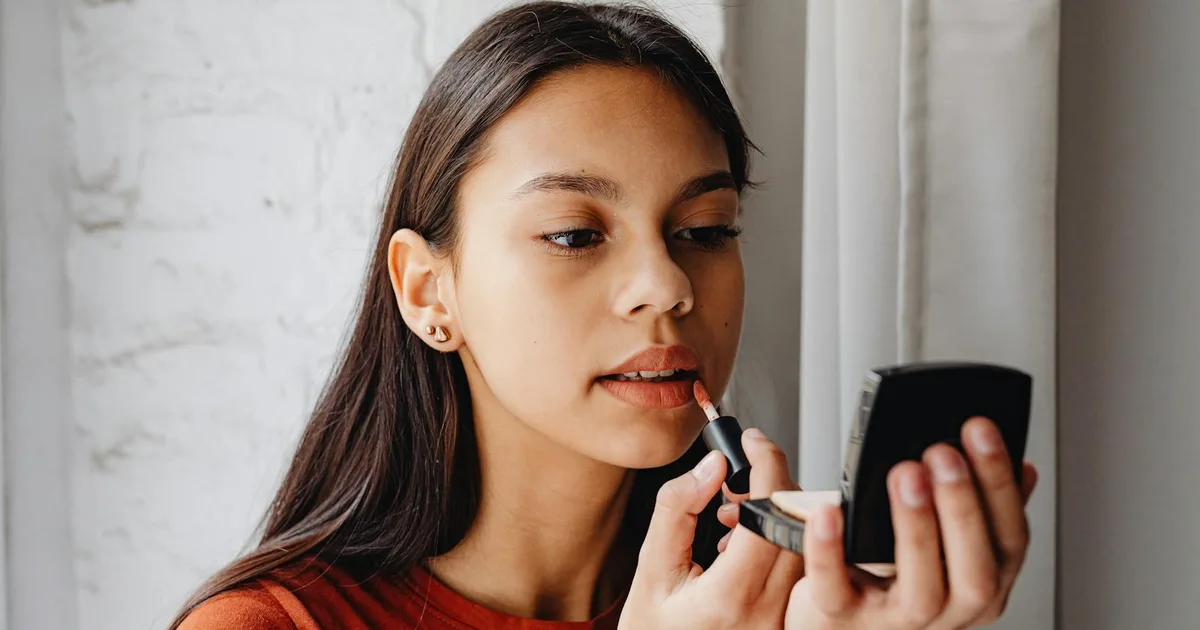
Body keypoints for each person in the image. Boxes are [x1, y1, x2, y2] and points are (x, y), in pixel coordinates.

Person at [172, 2, 1039, 629]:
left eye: (705, 230)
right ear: (427, 291)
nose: (666, 286)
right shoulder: (272, 627)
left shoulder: (781, 603)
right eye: (574, 233)